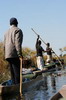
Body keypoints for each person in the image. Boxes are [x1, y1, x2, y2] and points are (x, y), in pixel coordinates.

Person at [4, 17, 23, 84]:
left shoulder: (6, 32)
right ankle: (17, 86)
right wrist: (19, 54)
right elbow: (17, 43)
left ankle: (14, 84)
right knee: (17, 71)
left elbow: (4, 44)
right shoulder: (17, 30)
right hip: (14, 53)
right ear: (16, 23)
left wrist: (5, 54)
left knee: (12, 72)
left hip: (7, 54)